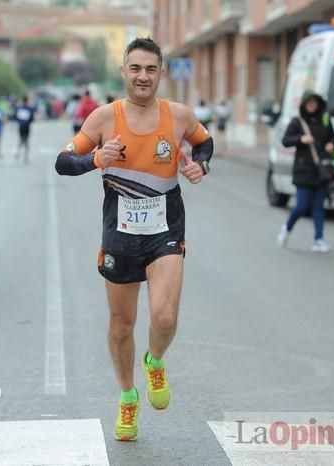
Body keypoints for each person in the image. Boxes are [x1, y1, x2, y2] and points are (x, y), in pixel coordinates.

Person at [55, 37, 213, 441]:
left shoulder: (178, 116)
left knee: (164, 316)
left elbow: (204, 142)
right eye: (136, 68)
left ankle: (155, 361)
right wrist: (96, 159)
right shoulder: (104, 118)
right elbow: (62, 162)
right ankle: (128, 397)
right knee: (122, 325)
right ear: (124, 72)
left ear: (160, 73)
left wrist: (201, 166)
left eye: (151, 69)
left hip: (165, 230)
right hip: (120, 235)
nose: (143, 76)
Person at [276, 92, 334, 253]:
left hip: (321, 169)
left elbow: (333, 138)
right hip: (303, 170)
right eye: (308, 103)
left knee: (318, 206)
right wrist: (301, 139)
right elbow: (285, 140)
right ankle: (287, 228)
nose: (312, 105)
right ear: (303, 104)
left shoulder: (324, 120)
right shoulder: (298, 122)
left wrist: (331, 144)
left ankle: (318, 239)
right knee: (302, 206)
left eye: (314, 103)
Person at [14, 95, 36, 163]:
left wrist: (20, 122)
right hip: (26, 127)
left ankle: (18, 152)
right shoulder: (29, 108)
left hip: (21, 126)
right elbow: (32, 118)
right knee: (26, 141)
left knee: (21, 140)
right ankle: (25, 156)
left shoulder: (19, 108)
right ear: (27, 100)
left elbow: (16, 117)